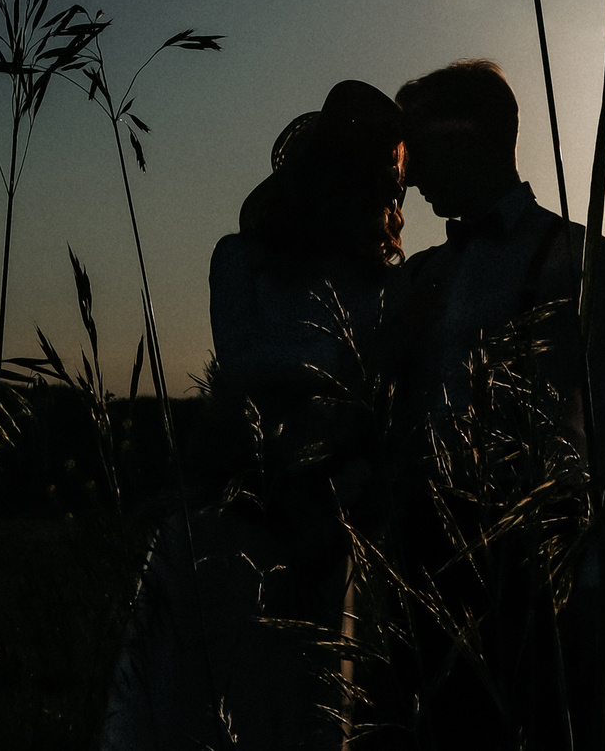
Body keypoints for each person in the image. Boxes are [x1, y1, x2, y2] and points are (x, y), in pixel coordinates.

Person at [99, 79, 405, 751]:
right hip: (238, 506)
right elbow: (248, 369)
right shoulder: (241, 261)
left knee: (295, 707)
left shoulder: (383, 287)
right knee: (204, 701)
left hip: (323, 520)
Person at [381, 59, 605, 749]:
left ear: (469, 133)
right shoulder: (417, 277)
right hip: (420, 576)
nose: (407, 172)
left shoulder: (586, 261)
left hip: (539, 576)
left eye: (418, 143)